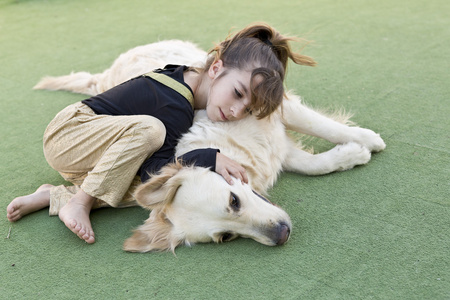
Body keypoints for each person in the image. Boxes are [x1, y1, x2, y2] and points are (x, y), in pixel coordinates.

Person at [6, 22, 316, 244]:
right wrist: (211, 156)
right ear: (216, 68)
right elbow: (162, 163)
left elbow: (154, 172)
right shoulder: (174, 103)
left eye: (247, 109)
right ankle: (81, 201)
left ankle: (55, 195)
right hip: (70, 134)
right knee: (151, 133)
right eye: (237, 93)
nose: (237, 111)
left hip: (96, 152)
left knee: (148, 188)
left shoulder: (186, 82)